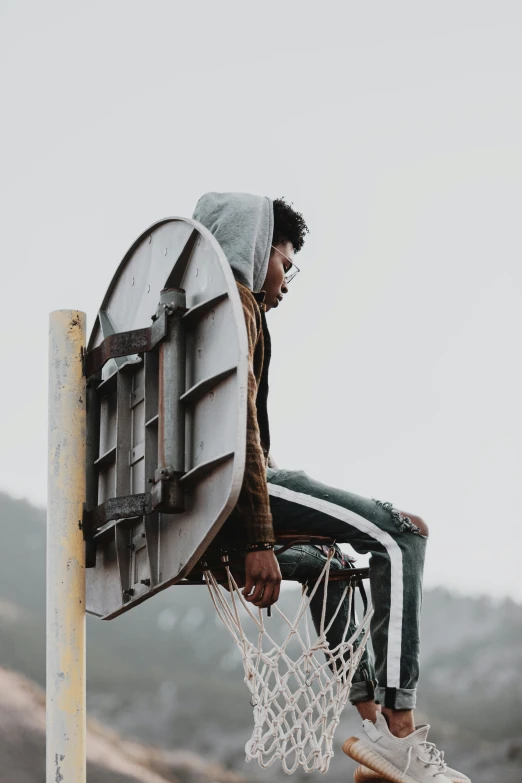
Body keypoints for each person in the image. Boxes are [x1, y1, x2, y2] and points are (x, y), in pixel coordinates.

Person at [192, 192, 470, 783]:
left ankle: (371, 729)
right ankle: (400, 731)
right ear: (253, 247)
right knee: (404, 533)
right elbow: (238, 423)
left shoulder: (197, 312)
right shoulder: (235, 304)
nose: (288, 281)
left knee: (326, 563)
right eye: (285, 264)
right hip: (239, 483)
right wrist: (260, 538)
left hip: (212, 493)